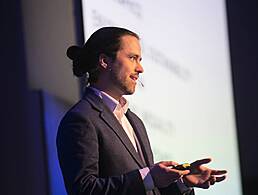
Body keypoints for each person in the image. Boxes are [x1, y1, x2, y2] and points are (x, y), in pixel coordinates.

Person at [56, 27, 227, 195]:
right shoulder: (81, 119)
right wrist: (148, 177)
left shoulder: (134, 121)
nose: (140, 68)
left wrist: (183, 183)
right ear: (105, 61)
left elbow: (146, 190)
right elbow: (85, 189)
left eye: (140, 60)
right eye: (132, 58)